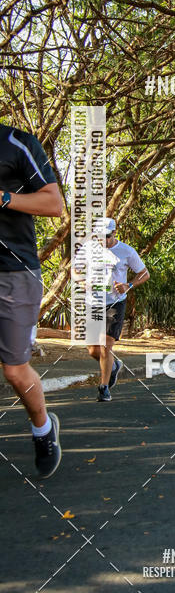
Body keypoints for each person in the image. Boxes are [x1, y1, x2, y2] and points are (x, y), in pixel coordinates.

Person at [0, 124, 64, 477]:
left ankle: (43, 429)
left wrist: (4, 198)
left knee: (14, 369)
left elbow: (54, 203)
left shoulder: (16, 143)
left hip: (14, 272)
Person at [74, 218, 149, 400]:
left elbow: (144, 273)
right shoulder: (88, 249)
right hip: (93, 302)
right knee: (93, 350)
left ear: (114, 233)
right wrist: (82, 282)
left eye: (107, 236)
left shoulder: (126, 251)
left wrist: (128, 285)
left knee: (105, 347)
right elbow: (74, 270)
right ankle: (114, 366)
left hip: (115, 303)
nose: (103, 240)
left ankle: (104, 388)